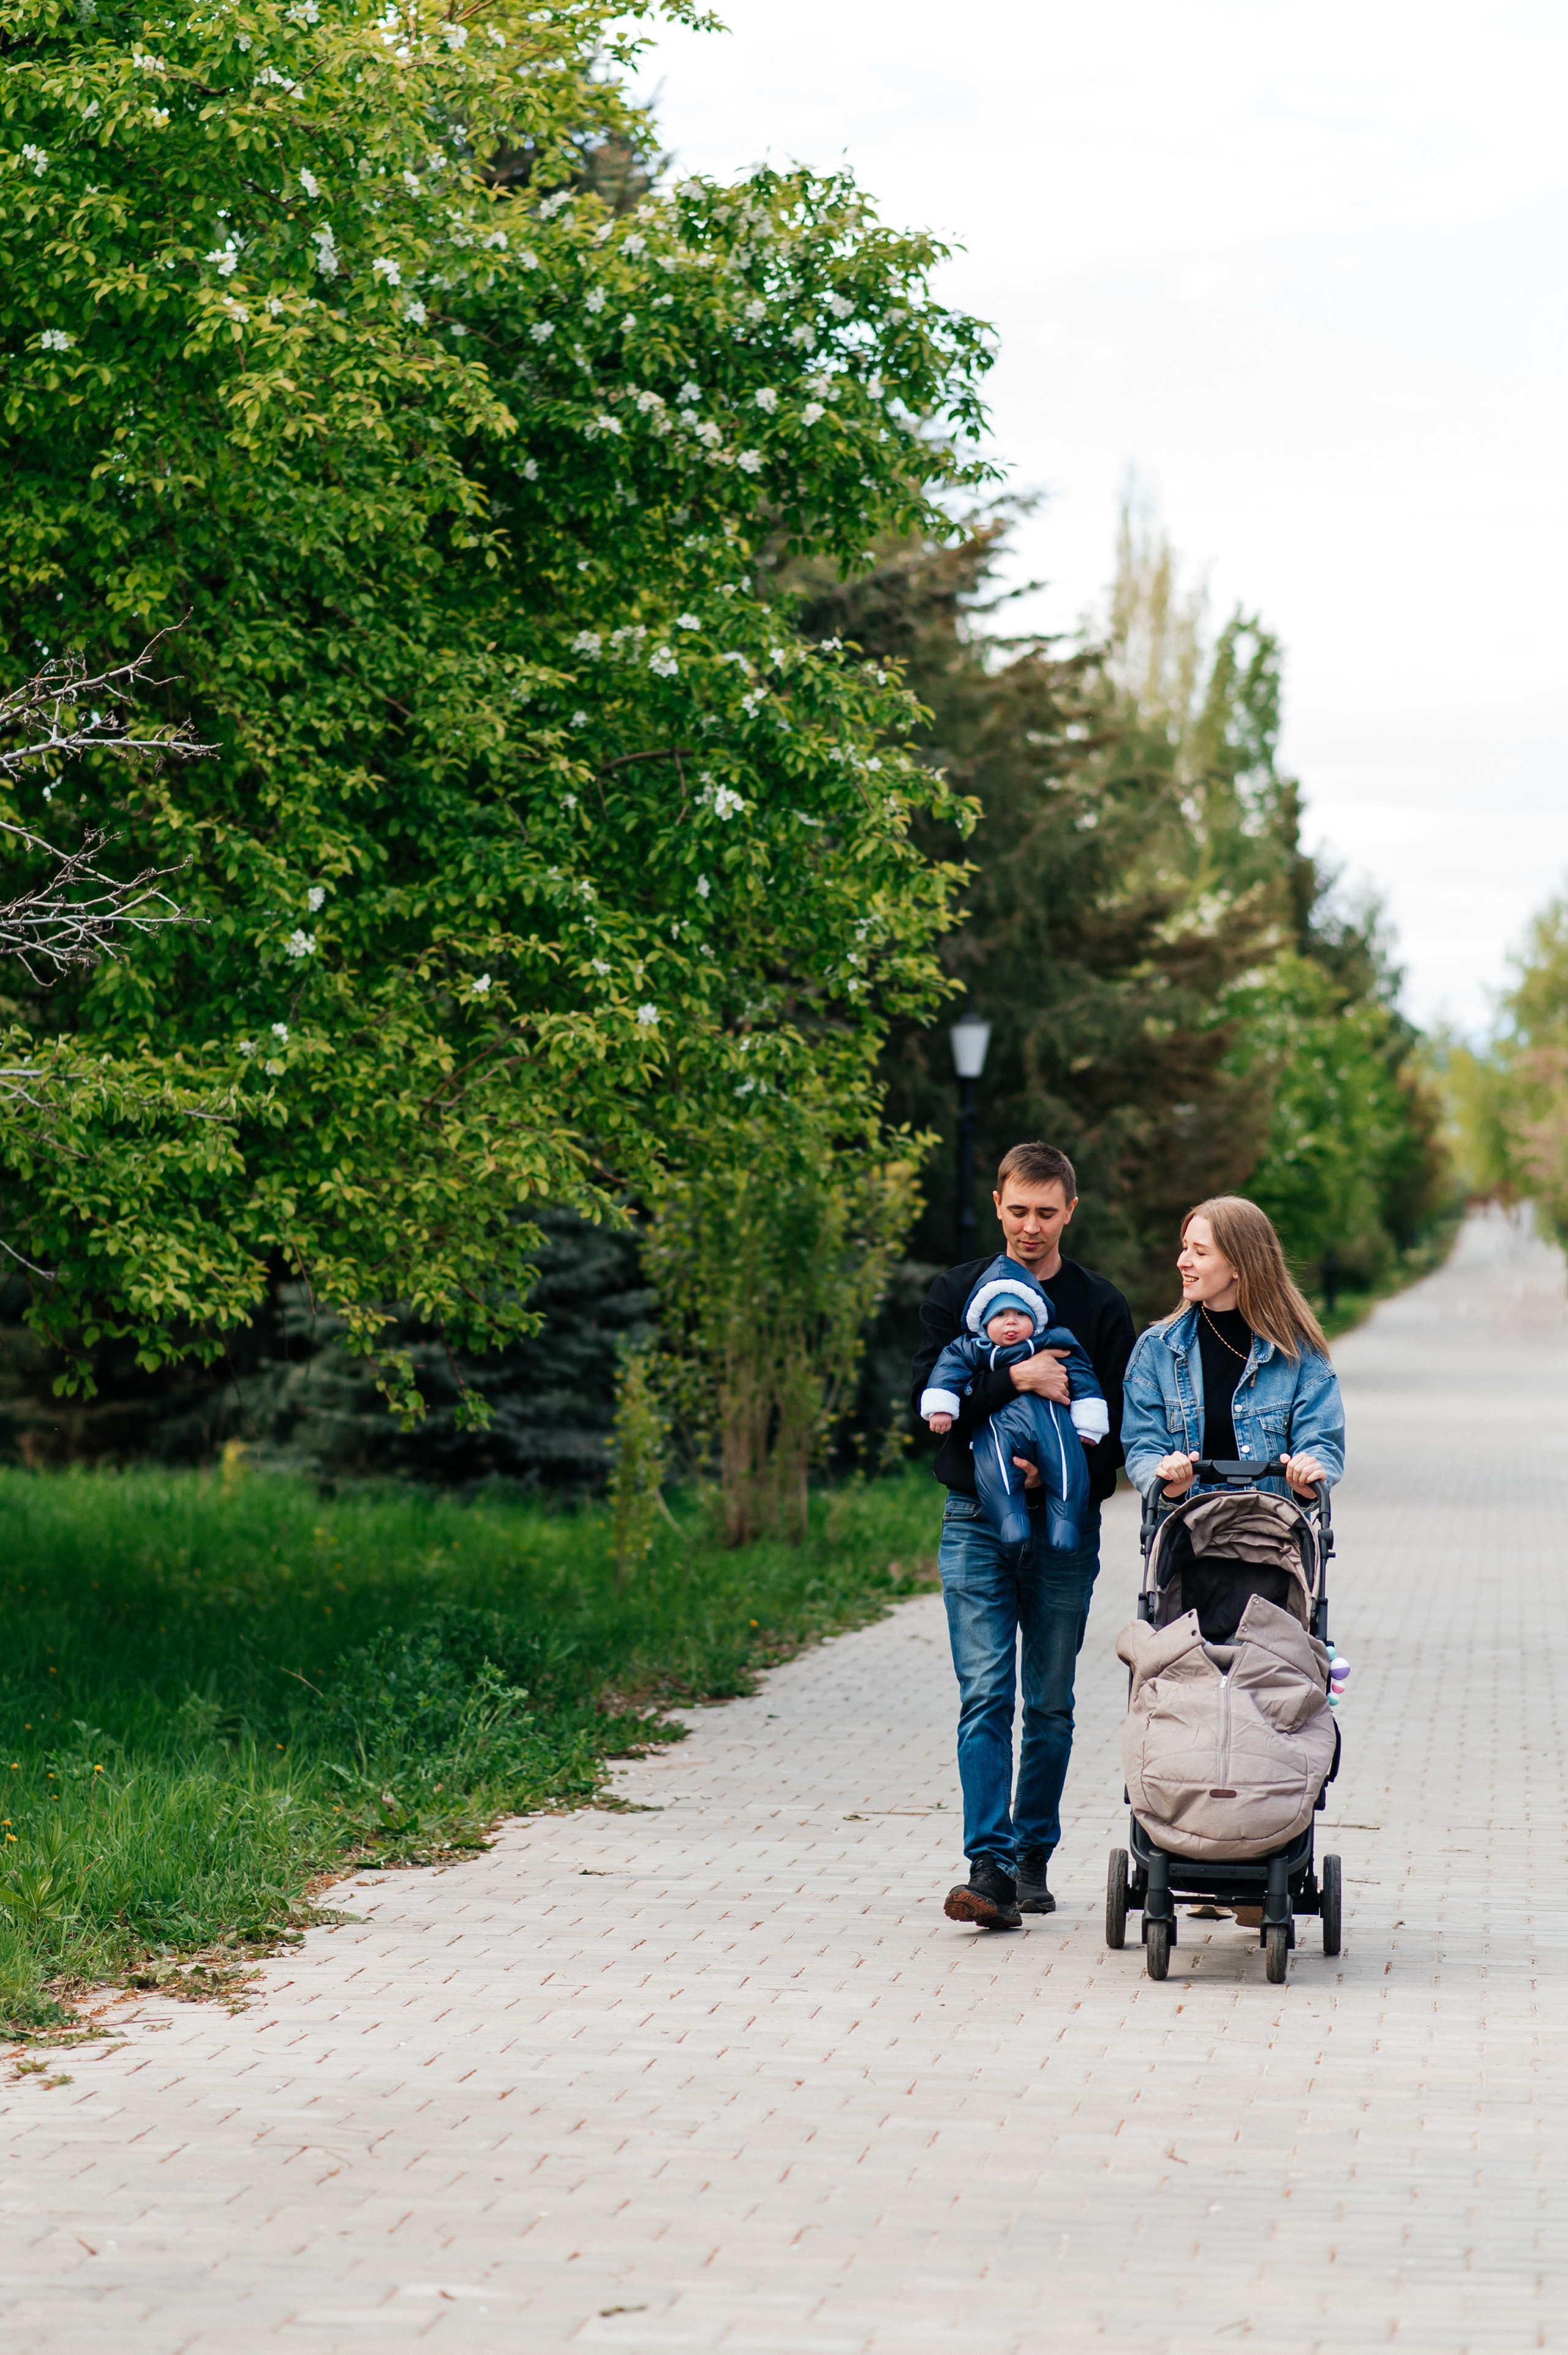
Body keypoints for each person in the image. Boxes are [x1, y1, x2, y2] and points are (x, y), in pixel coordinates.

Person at [913, 1141, 1135, 1931]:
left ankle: (1033, 1850)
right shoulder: (955, 1293)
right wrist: (1014, 1378)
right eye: (1018, 1211)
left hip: (1064, 1529)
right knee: (984, 1695)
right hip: (974, 1520)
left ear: (1070, 1210)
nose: (1030, 1227)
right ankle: (989, 1863)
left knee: (1047, 1700)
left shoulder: (1099, 1306)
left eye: (1046, 1212)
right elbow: (930, 1408)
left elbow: (1121, 1435)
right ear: (998, 1204)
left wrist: (1058, 1471)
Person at [1119, 1195, 1344, 1511]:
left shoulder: (1298, 1354)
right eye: (1185, 1247)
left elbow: (1321, 1443)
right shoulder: (1157, 1350)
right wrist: (1169, 1483)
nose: (1183, 1261)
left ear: (1239, 1266)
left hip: (1271, 1534)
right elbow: (1142, 1446)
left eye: (1200, 1252)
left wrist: (1307, 1480)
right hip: (1185, 1532)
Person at [919, 1257, 1108, 1552]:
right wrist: (942, 1406)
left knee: (1067, 1466)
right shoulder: (973, 1348)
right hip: (998, 1432)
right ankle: (1009, 1517)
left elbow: (1084, 1376)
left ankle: (1066, 1521)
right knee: (995, 1470)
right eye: (1001, 1315)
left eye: (1020, 1314)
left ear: (1035, 1317)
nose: (1011, 1322)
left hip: (1052, 1427)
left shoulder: (1055, 1341)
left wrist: (1088, 1419)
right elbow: (947, 1370)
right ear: (984, 1322)